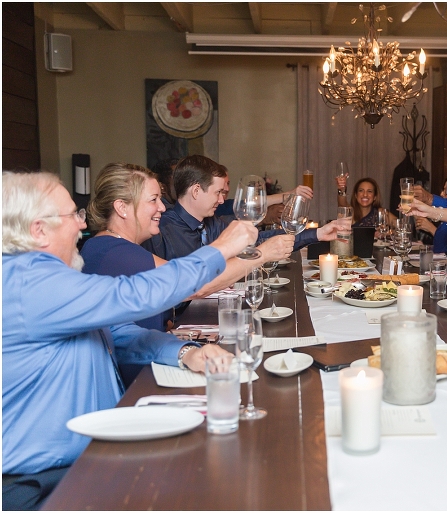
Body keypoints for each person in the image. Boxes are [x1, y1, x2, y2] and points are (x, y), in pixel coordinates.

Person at [2, 171, 256, 509]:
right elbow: (136, 295)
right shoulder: (27, 282)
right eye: (72, 216)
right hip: (44, 483)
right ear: (39, 230)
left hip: (94, 456)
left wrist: (183, 352)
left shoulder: (47, 277)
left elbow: (116, 331)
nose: (82, 224)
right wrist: (220, 249)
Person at [80, 163, 294, 382]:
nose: (162, 208)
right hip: (137, 377)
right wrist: (260, 255)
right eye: (153, 200)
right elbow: (193, 285)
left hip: (149, 358)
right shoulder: (113, 251)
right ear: (122, 208)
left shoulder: (114, 246)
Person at [142, 155, 348, 261]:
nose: (222, 201)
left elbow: (257, 239)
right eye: (218, 193)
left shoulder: (213, 225)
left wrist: (318, 234)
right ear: (196, 191)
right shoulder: (161, 231)